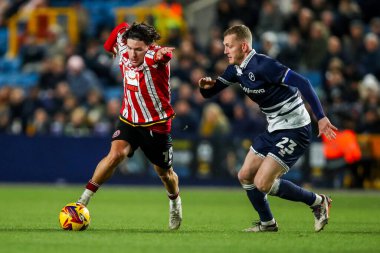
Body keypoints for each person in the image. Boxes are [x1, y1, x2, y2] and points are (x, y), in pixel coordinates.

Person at [198, 24, 337, 232]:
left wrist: (322, 117)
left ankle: (318, 202)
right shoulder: (235, 69)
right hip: (274, 127)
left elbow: (304, 83)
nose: (225, 50)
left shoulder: (264, 65)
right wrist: (204, 86)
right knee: (244, 175)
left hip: (295, 127)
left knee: (263, 183)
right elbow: (210, 93)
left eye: (229, 46)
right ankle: (267, 223)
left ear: (244, 47)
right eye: (224, 46)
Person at [76, 22, 182, 230]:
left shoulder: (154, 58)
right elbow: (110, 45)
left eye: (139, 50)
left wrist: (162, 54)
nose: (133, 54)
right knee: (116, 155)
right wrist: (125, 27)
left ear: (148, 47)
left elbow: (163, 56)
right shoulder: (125, 47)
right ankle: (81, 202)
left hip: (156, 124)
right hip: (129, 118)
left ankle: (175, 202)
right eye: (131, 48)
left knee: (164, 173)